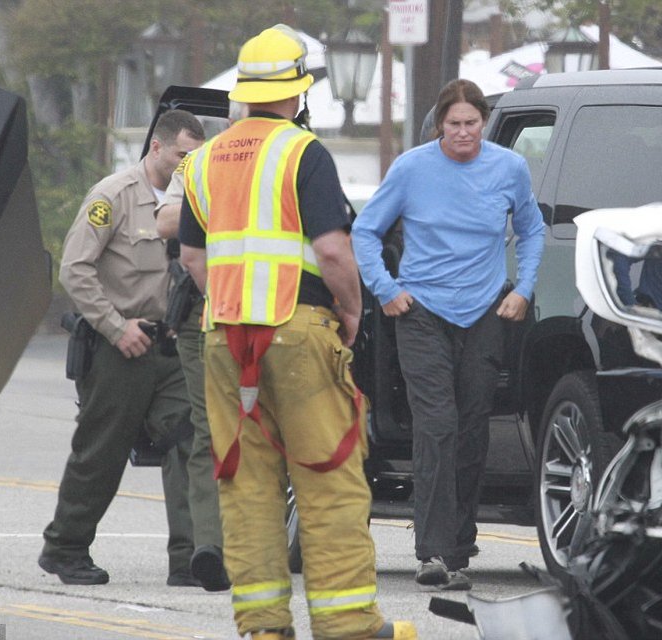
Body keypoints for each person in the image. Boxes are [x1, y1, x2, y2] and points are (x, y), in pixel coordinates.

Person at [179, 25, 415, 640]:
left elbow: (191, 260)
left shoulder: (202, 160)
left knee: (246, 485)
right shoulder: (302, 152)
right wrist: (353, 311)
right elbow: (334, 251)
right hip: (300, 331)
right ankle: (349, 628)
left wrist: (233, 302)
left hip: (224, 341)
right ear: (298, 93)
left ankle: (262, 627)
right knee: (328, 477)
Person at [352, 79, 546, 591]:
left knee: (472, 426)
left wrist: (523, 288)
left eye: (472, 123)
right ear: (440, 124)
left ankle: (458, 547)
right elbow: (365, 231)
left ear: (484, 123)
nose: (463, 133)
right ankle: (432, 553)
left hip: (483, 311)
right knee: (436, 423)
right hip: (421, 310)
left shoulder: (509, 168)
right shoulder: (412, 168)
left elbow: (532, 229)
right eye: (454, 124)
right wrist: (386, 289)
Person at [39, 109, 205, 586]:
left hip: (169, 343)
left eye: (195, 158)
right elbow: (75, 269)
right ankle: (65, 547)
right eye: (181, 155)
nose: (187, 165)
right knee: (101, 449)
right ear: (157, 147)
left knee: (189, 438)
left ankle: (189, 556)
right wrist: (114, 327)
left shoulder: (192, 202)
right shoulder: (113, 196)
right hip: (118, 346)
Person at [152, 102, 248, 593]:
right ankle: (208, 547)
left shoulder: (298, 157)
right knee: (208, 427)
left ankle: (254, 546)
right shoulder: (202, 164)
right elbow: (167, 223)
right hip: (205, 310)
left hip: (276, 313)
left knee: (265, 432)